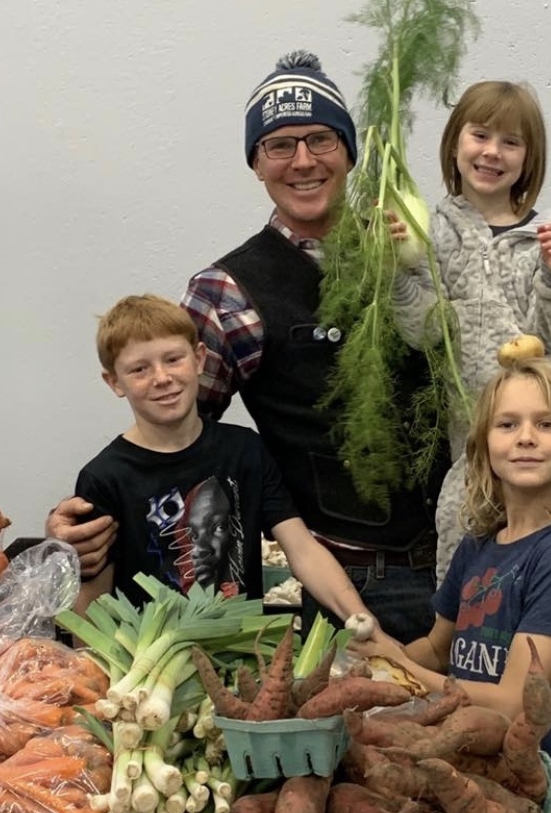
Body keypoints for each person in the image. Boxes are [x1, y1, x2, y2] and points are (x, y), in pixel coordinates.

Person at [48, 51, 447, 642]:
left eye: (321, 139)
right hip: (346, 581)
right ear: (256, 163)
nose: (304, 161)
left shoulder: (414, 255)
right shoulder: (226, 291)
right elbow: (171, 444)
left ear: (350, 152)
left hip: (465, 563)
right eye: (280, 145)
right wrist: (82, 517)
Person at [349, 358, 551, 813]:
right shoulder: (479, 547)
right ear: (484, 447)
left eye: (547, 424)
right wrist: (372, 668)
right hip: (472, 781)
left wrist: (411, 676)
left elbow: (516, 698)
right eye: (508, 424)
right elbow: (436, 647)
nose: (526, 437)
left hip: (539, 804)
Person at [69, 292, 385, 630]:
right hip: (148, 670)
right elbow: (93, 600)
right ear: (114, 382)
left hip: (243, 658)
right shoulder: (103, 478)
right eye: (139, 369)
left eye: (173, 359)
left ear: (199, 358)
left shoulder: (244, 450)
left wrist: (358, 615)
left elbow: (302, 549)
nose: (161, 378)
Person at [389, 80, 551, 580]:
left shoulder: (545, 235)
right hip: (473, 443)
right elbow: (423, 331)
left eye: (511, 142)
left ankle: (542, 645)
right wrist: (393, 267)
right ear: (456, 141)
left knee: (546, 557)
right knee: (466, 550)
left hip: (542, 444)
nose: (492, 152)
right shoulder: (431, 231)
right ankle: (461, 648)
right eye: (480, 135)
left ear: (530, 158)